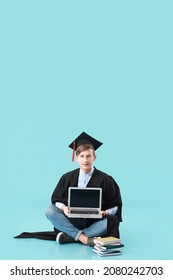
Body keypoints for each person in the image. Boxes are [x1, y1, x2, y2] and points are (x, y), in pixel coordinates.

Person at [45, 132, 122, 246]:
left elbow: (115, 205)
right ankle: (84, 238)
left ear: (94, 158)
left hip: (94, 222)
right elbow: (56, 200)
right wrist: (64, 207)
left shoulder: (106, 179)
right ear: (76, 158)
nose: (85, 160)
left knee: (112, 221)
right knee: (49, 210)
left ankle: (71, 236)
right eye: (82, 156)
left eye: (88, 156)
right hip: (72, 219)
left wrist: (105, 212)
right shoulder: (67, 177)